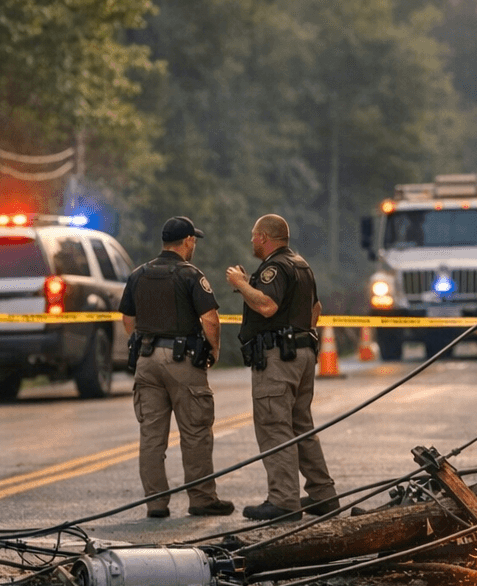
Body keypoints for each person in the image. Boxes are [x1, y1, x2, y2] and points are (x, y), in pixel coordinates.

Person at [224, 214, 339, 523]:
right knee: (302, 427)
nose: (251, 241)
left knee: (275, 427)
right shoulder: (302, 266)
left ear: (264, 237)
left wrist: (239, 283)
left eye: (253, 236)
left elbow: (267, 306)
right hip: (302, 355)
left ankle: (284, 500)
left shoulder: (274, 268)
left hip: (278, 358)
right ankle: (322, 494)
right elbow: (316, 310)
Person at [118, 216, 231, 518]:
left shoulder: (138, 274)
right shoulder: (190, 275)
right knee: (195, 432)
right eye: (194, 240)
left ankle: (156, 503)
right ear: (188, 241)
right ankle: (202, 499)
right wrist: (215, 350)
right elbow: (209, 318)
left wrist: (144, 344)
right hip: (182, 361)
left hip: (146, 360)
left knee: (151, 436)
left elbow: (128, 320)